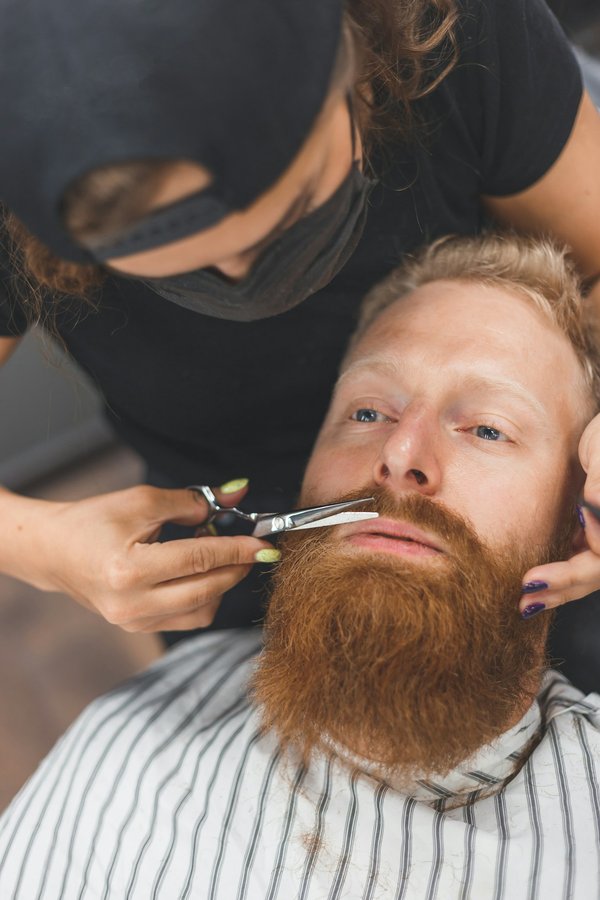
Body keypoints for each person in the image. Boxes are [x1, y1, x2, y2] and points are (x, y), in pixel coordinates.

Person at [2, 232, 600, 899]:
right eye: (368, 410)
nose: (401, 453)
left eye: (489, 427)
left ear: (581, 524)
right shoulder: (138, 728)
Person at [1, 0, 600, 661]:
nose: (241, 276)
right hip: (223, 518)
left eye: (290, 214)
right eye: (185, 270)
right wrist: (40, 544)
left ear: (357, 70)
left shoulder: (460, 26)